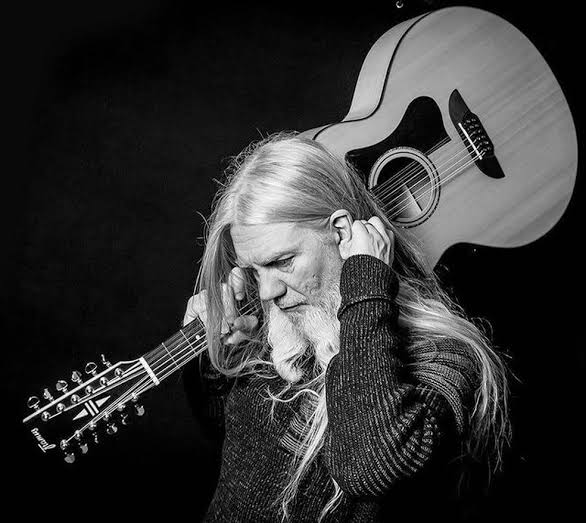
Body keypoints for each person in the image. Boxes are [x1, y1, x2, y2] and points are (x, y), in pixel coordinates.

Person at [182, 133, 511, 522]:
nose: (267, 292)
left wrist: (366, 283)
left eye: (282, 262)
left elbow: (366, 467)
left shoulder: (445, 357)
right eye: (254, 270)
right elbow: (235, 443)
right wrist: (217, 361)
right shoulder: (279, 334)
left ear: (341, 233)